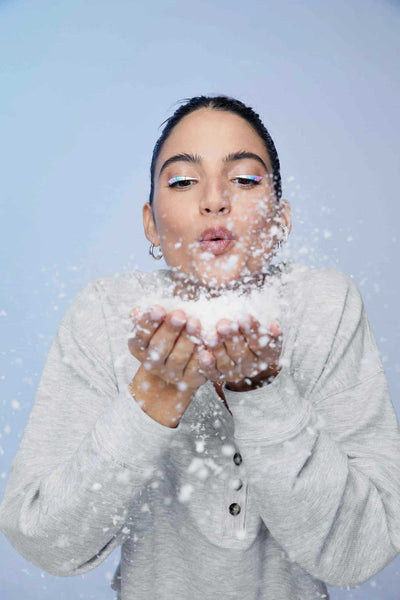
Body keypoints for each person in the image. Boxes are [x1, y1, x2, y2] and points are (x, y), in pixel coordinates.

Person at [0, 94, 399, 600]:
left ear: (281, 219)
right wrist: (153, 397)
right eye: (184, 181)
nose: (215, 199)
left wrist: (264, 395)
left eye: (245, 179)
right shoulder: (106, 312)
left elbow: (362, 552)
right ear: (150, 223)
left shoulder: (324, 303)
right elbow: (46, 540)